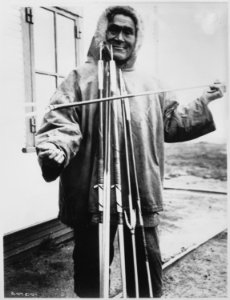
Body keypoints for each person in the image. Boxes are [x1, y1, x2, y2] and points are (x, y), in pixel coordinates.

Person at [35, 5, 224, 298]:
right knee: (90, 272)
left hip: (140, 193)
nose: (120, 37)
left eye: (128, 31)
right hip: (91, 193)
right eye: (114, 29)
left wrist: (204, 101)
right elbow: (61, 122)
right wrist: (56, 147)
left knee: (146, 269)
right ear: (102, 32)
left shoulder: (151, 84)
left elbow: (172, 123)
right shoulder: (79, 78)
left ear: (137, 38)